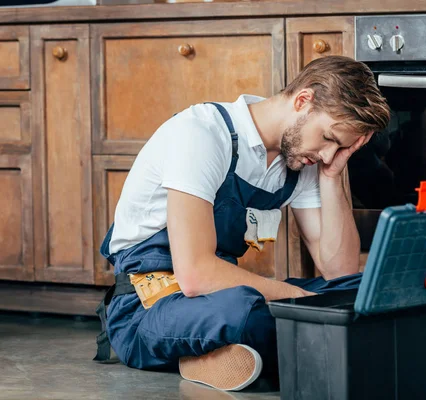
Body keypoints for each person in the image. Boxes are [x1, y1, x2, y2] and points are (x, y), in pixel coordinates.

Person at [93, 55, 391, 392]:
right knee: (247, 313)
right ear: (303, 100)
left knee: (362, 293)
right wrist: (302, 303)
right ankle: (237, 351)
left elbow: (339, 271)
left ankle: (229, 356)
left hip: (216, 297)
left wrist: (333, 175)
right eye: (329, 138)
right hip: (148, 308)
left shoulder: (302, 161)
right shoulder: (202, 134)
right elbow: (196, 275)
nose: (326, 154)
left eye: (340, 147)